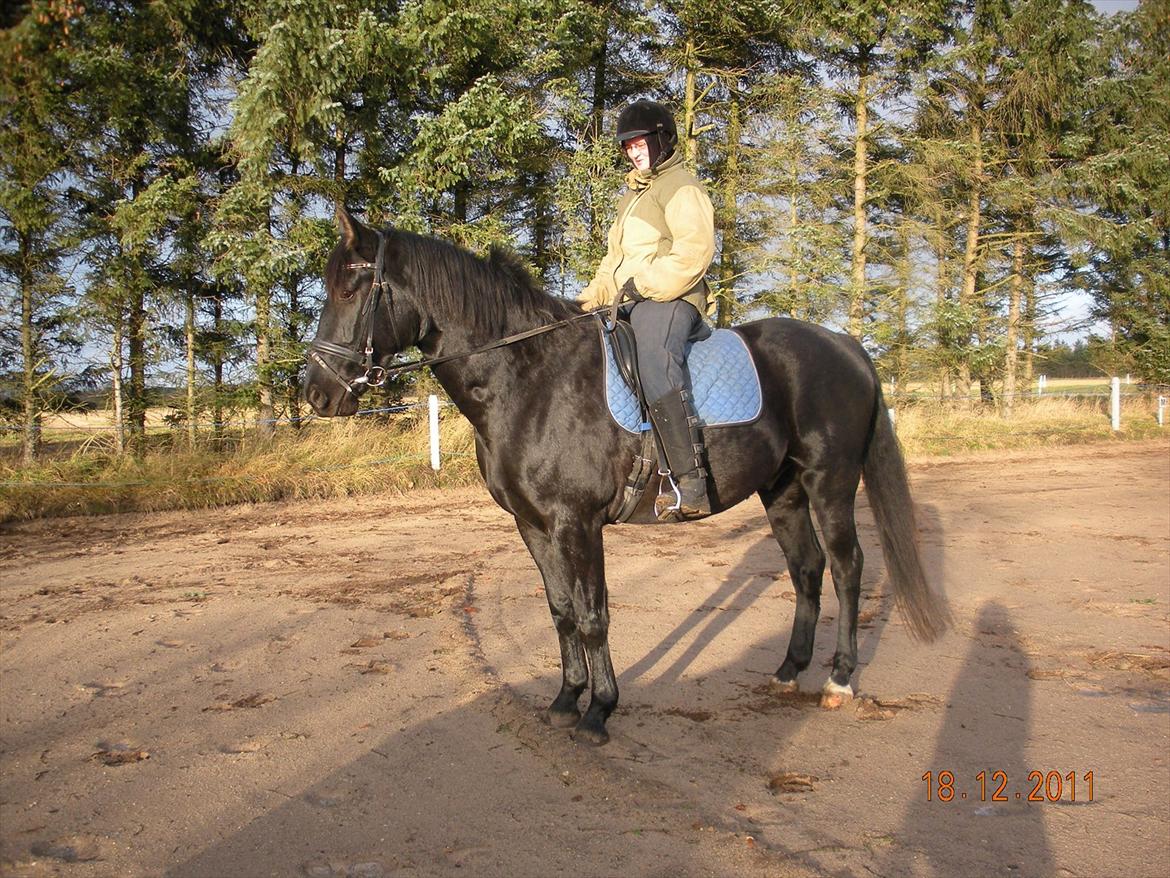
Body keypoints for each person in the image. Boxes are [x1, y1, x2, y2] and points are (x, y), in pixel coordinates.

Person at [578, 99, 716, 520]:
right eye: (628, 147)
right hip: (631, 299)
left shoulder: (681, 187)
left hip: (672, 296)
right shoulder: (631, 199)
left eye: (640, 144)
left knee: (655, 360)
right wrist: (582, 305)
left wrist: (645, 285)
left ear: (661, 141)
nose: (634, 152)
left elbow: (695, 251)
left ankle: (691, 485)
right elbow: (612, 266)